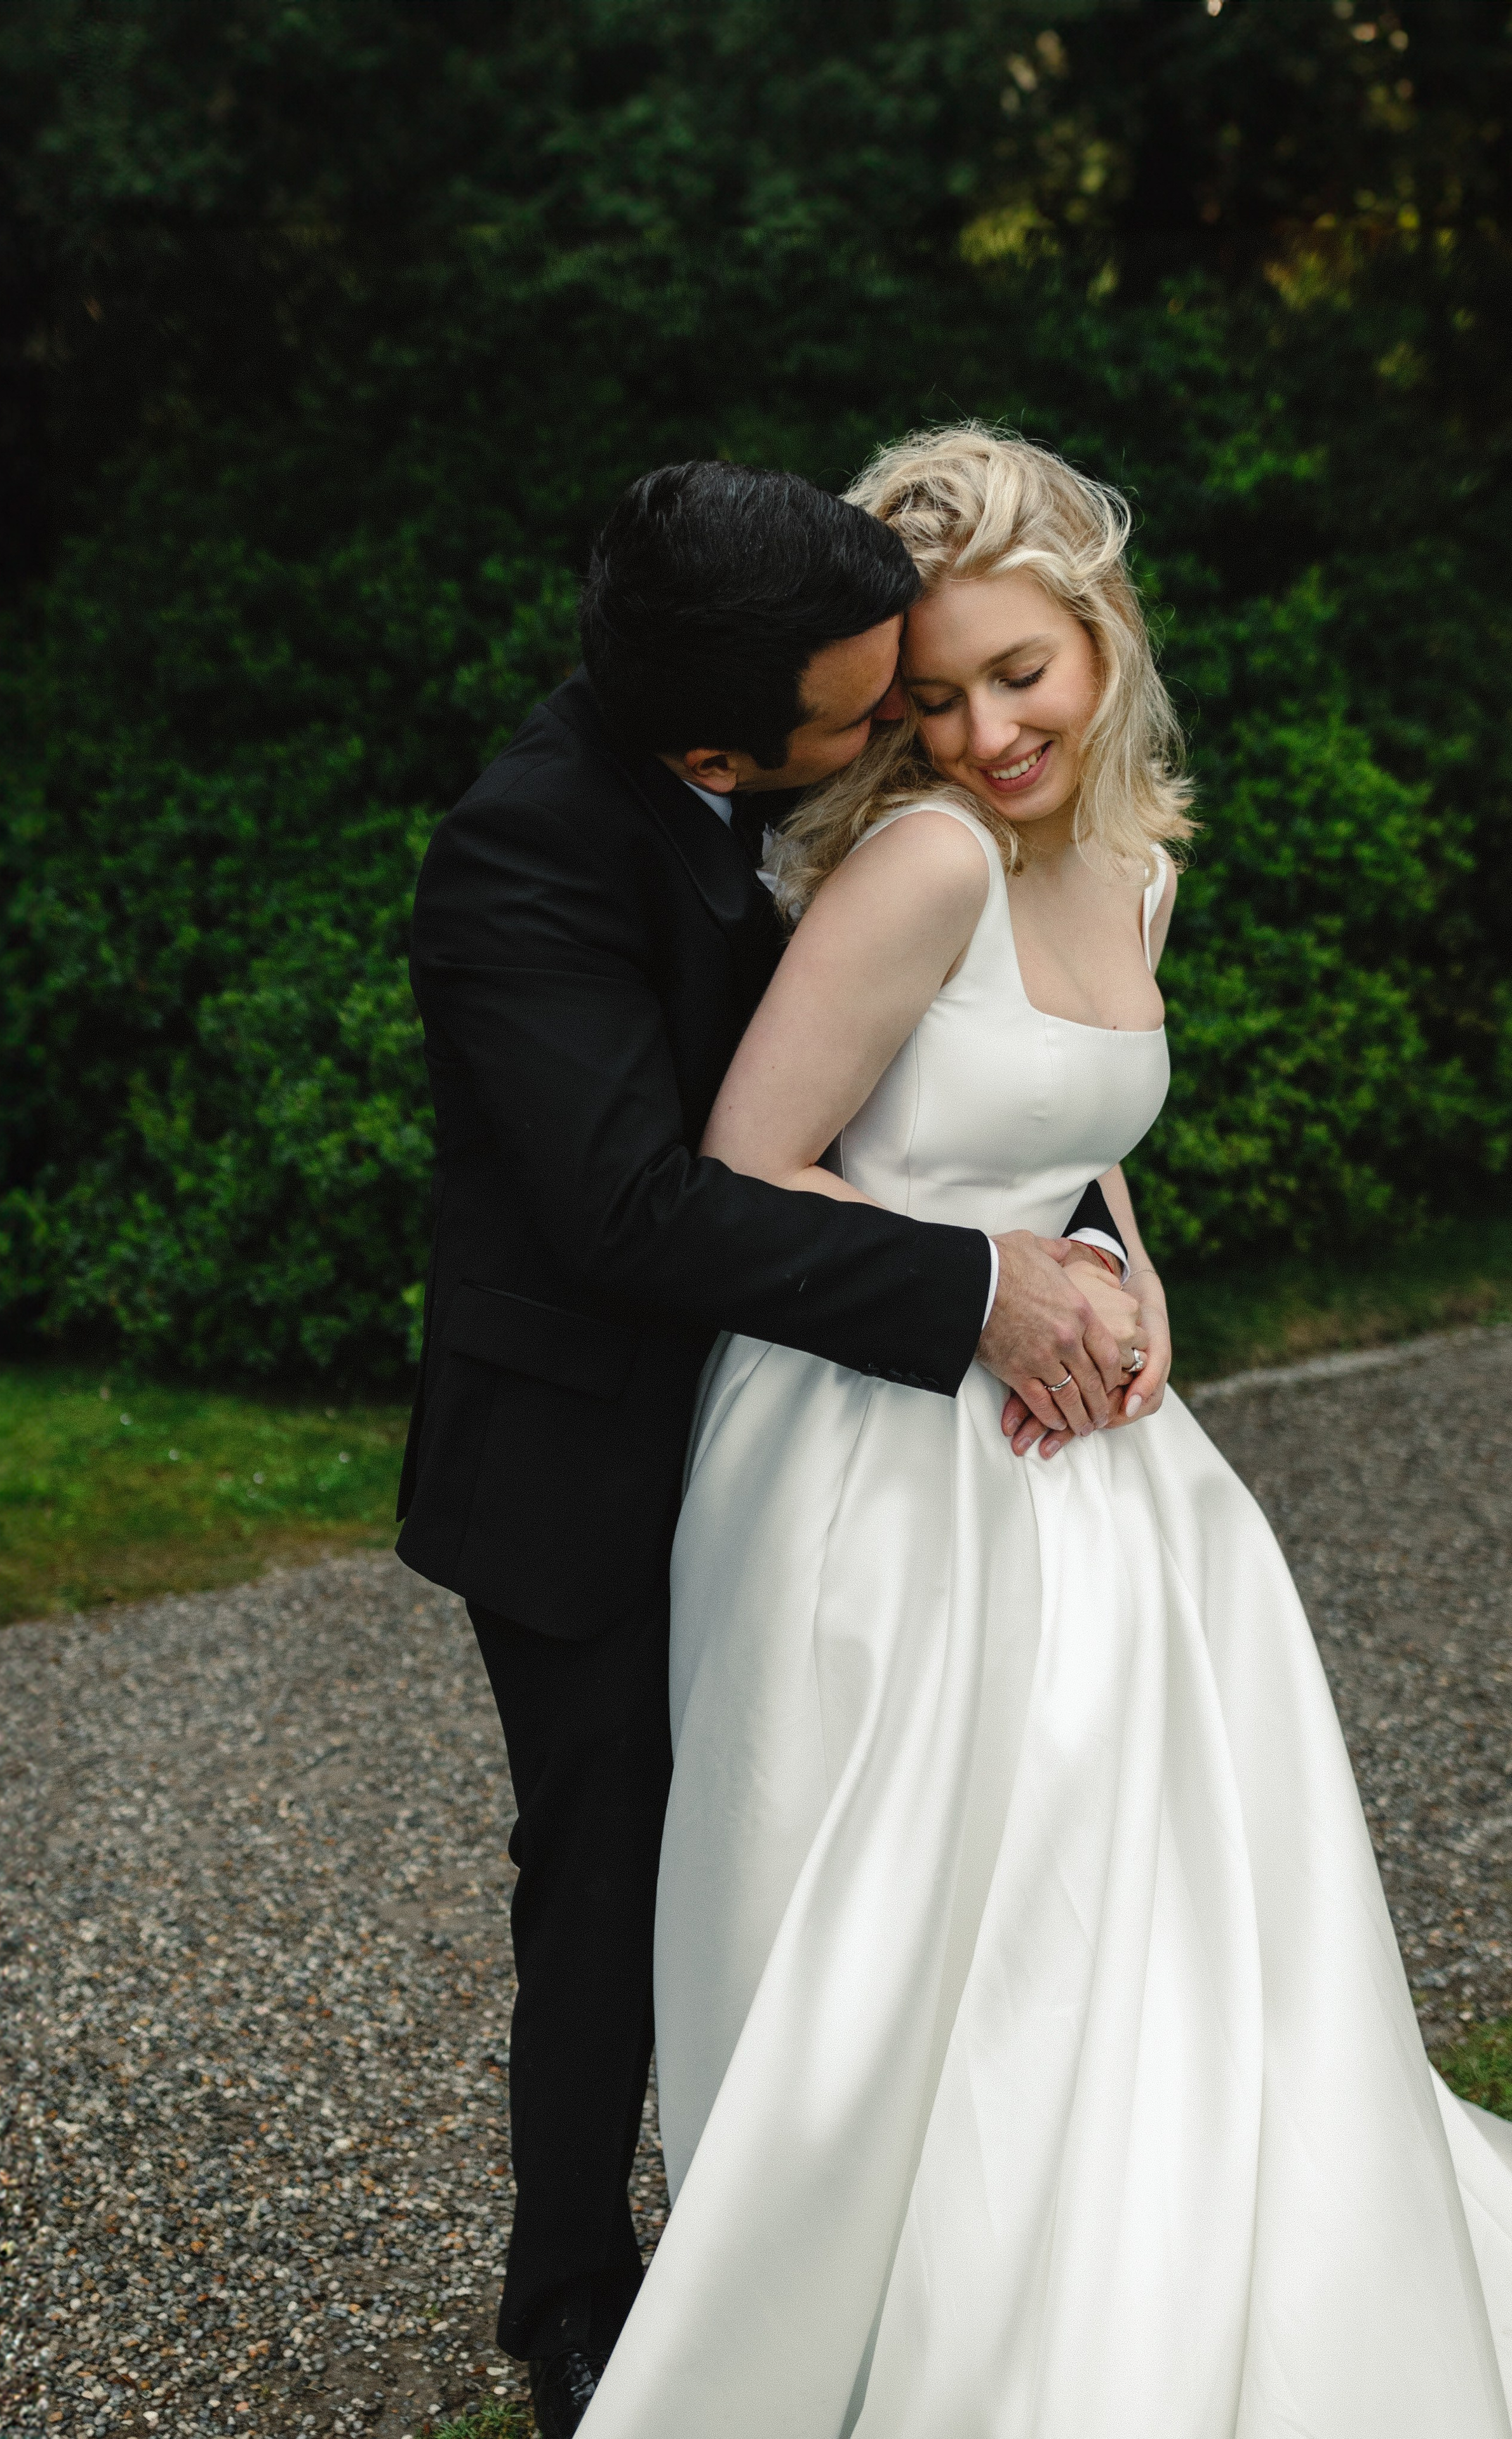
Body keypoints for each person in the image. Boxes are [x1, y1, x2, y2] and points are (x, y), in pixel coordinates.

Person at [578, 425, 1512, 2436]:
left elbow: (1070, 1141)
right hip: (874, 1444)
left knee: (1129, 1876)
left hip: (1087, 1440)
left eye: (1026, 673)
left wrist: (1127, 1261)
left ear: (1105, 636)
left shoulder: (1136, 860)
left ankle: (1130, 2248)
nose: (989, 730)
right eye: (933, 695)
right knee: (930, 1904)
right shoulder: (925, 862)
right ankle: (886, 2297)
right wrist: (997, 1301)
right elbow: (751, 1166)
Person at [394, 460, 1144, 2436]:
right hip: (588, 1443)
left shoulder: (810, 699)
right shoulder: (522, 859)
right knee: (614, 1856)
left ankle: (911, 2230)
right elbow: (634, 1212)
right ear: (727, 739)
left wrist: (1076, 1236)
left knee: (880, 1839)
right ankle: (577, 2285)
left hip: (828, 1420)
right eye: (873, 708)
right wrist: (976, 1290)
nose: (912, 724)